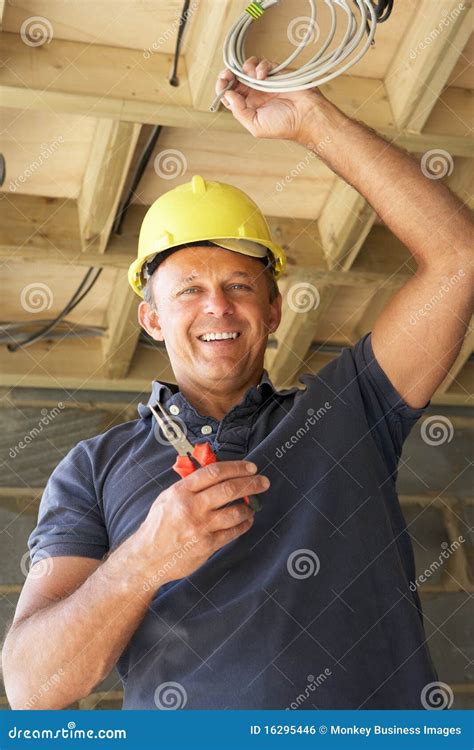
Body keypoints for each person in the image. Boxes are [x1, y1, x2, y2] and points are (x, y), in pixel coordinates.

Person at [3, 57, 472, 711]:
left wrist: (314, 121)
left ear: (274, 310)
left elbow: (458, 257)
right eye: (189, 291)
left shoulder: (351, 409)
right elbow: (32, 688)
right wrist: (147, 557)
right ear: (152, 319)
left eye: (240, 287)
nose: (218, 308)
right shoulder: (93, 468)